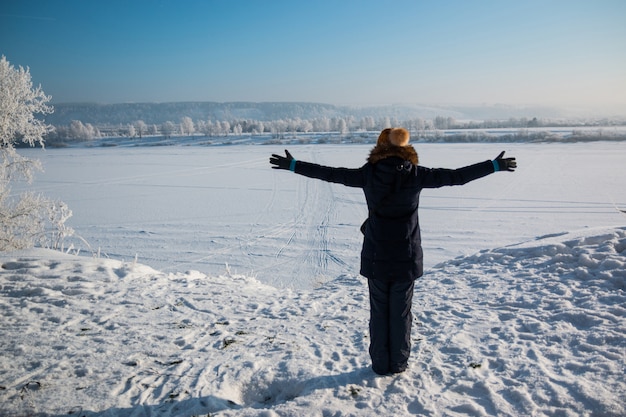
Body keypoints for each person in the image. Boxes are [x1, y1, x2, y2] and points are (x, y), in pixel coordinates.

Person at [269, 127, 517, 375]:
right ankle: (398, 364)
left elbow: (330, 174)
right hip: (406, 259)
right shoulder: (417, 174)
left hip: (376, 257)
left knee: (379, 313)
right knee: (400, 314)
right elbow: (457, 177)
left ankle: (379, 365)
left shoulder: (369, 174)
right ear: (405, 149)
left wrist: (293, 165)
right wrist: (493, 166)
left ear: (380, 148)